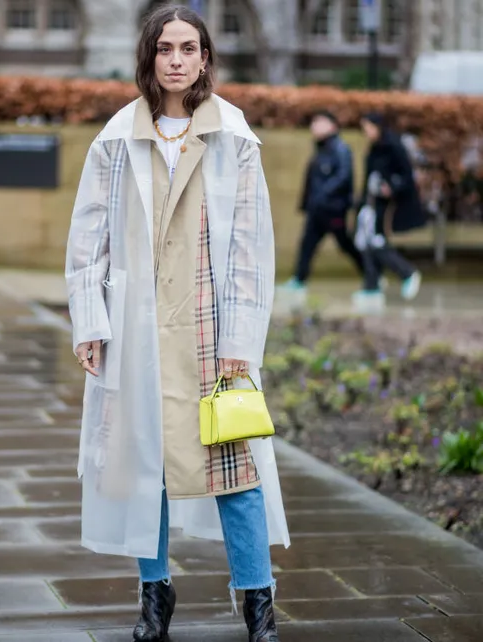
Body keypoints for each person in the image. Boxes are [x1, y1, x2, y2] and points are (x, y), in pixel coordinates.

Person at [65, 5, 290, 642]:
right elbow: (90, 238)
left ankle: (258, 603)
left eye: (188, 48)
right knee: (147, 470)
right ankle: (154, 598)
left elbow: (250, 246)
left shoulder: (234, 137)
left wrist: (240, 343)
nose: (176, 60)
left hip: (211, 331)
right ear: (150, 56)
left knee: (235, 468)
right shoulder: (115, 137)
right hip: (137, 333)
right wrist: (89, 322)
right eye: (165, 48)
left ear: (203, 58)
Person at [280, 110, 363, 293]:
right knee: (307, 244)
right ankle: (299, 280)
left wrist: (323, 195)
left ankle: (372, 274)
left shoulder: (340, 149)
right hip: (317, 208)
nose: (314, 126)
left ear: (333, 126)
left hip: (333, 209)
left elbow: (344, 176)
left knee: (346, 244)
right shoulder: (321, 148)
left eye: (320, 122)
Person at [353, 113, 425, 305]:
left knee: (377, 241)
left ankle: (407, 273)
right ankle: (372, 285)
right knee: (364, 241)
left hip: (386, 204)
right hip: (370, 202)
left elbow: (407, 176)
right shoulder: (374, 148)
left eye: (368, 127)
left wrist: (391, 187)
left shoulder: (393, 146)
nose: (366, 132)